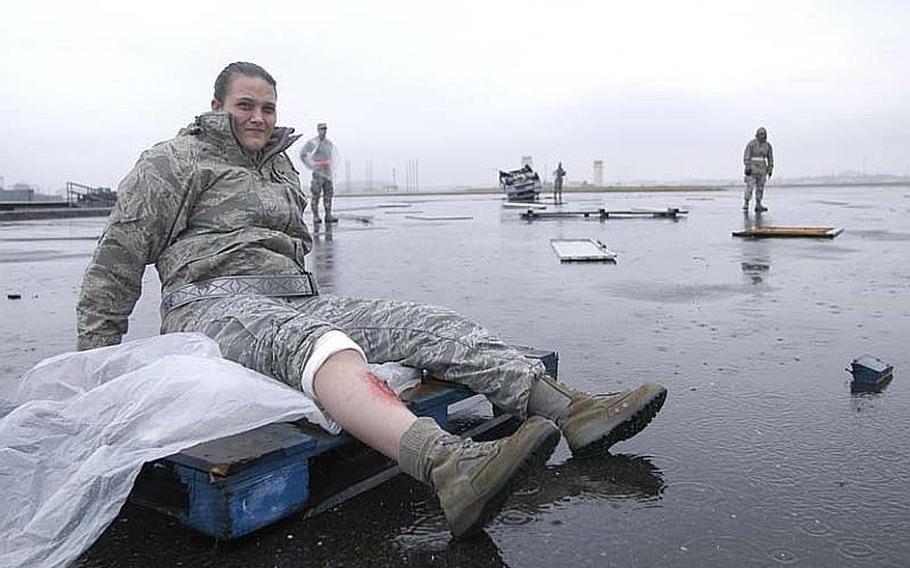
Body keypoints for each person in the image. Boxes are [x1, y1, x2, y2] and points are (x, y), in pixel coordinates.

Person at [76, 62, 668, 539]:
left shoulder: (282, 166)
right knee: (322, 348)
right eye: (245, 105)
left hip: (293, 297)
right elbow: (116, 263)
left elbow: (292, 252)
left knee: (425, 323)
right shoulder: (171, 162)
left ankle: (573, 412)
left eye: (268, 107)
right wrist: (98, 374)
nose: (258, 117)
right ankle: (450, 466)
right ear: (216, 107)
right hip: (210, 305)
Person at [300, 122, 337, 224]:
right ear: (318, 130)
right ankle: (316, 216)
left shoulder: (328, 144)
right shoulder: (313, 143)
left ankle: (328, 215)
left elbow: (333, 156)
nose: (323, 131)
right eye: (321, 129)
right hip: (318, 173)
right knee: (316, 194)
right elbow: (303, 154)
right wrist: (312, 164)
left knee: (328, 194)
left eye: (325, 129)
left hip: (327, 173)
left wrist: (331, 165)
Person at [742, 127, 774, 212]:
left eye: (763, 134)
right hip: (752, 169)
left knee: (760, 188)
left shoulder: (768, 146)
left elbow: (770, 158)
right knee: (750, 187)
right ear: (757, 134)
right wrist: (747, 166)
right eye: (760, 134)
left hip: (762, 169)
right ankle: (746, 203)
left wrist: (770, 169)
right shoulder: (751, 144)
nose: (762, 136)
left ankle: (758, 204)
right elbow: (746, 155)